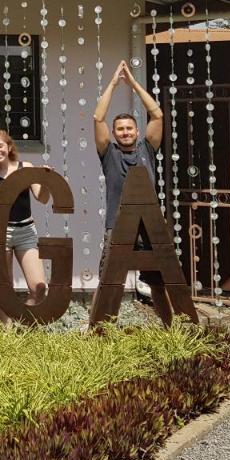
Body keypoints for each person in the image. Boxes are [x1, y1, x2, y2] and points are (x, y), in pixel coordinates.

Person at [93, 59, 164, 303]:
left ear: (137, 131)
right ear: (114, 134)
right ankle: (98, 331)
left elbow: (157, 114)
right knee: (108, 281)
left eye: (129, 128)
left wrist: (133, 83)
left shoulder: (148, 148)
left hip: (149, 223)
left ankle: (170, 329)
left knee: (160, 280)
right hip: (117, 223)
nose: (125, 132)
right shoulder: (109, 153)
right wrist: (113, 84)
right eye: (120, 129)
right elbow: (98, 118)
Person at [0, 129, 46, 322]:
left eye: (0, 145)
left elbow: (42, 198)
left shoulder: (26, 167)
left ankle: (24, 327)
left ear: (8, 146)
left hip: (26, 232)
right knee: (3, 289)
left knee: (39, 287)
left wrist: (46, 180)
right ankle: (6, 338)